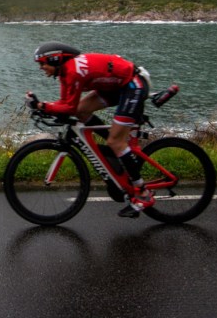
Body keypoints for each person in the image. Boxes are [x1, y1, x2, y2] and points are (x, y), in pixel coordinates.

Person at [25, 41, 153, 218]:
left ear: (55, 59)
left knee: (116, 141)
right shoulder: (65, 73)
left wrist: (41, 106)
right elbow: (67, 106)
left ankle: (143, 193)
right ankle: (114, 149)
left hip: (132, 85)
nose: (41, 68)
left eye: (43, 63)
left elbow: (67, 107)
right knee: (81, 111)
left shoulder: (72, 71)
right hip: (116, 87)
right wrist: (46, 108)